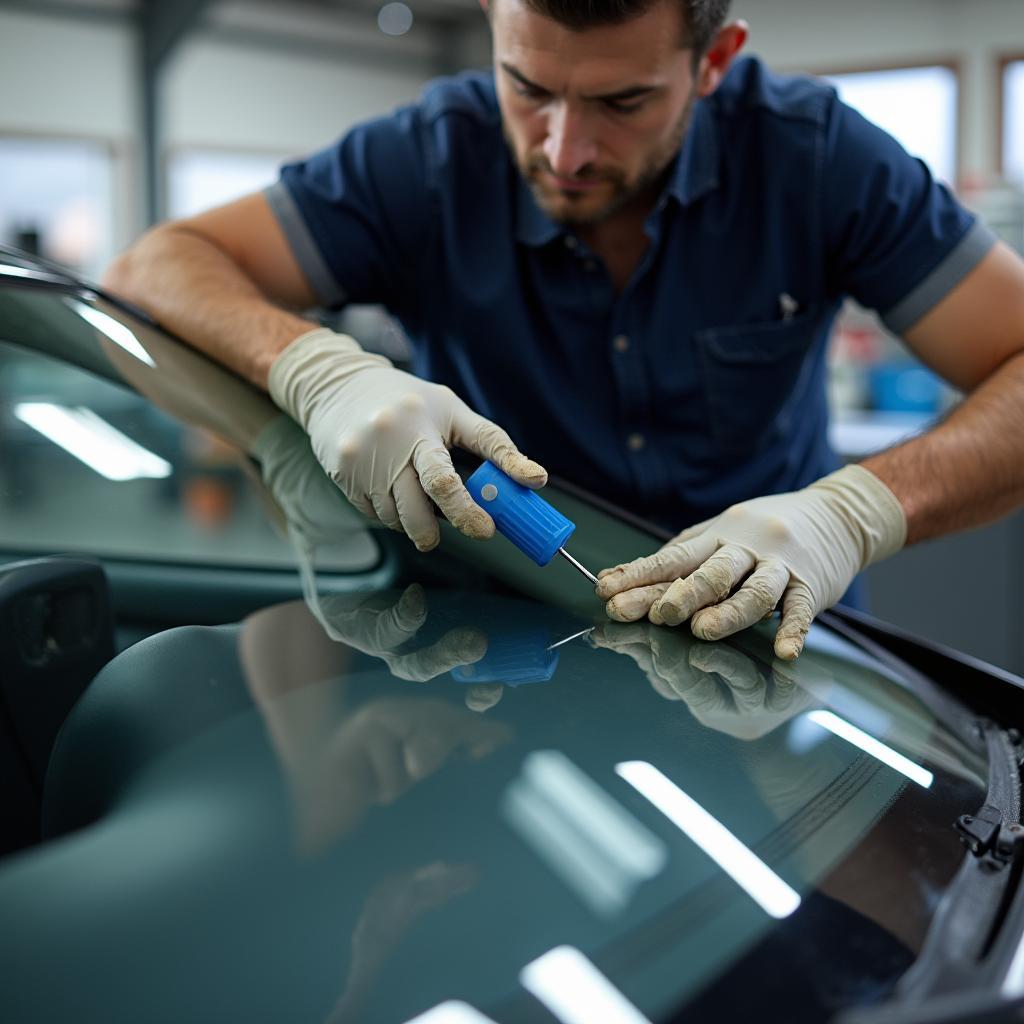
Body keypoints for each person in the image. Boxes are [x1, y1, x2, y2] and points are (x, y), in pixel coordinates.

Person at [102, 0, 1024, 660]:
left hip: (766, 663)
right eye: (528, 86)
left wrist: (850, 515)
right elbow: (154, 267)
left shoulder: (815, 160)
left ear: (714, 62)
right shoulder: (429, 160)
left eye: (622, 104)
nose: (562, 149)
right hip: (498, 663)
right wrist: (314, 367)